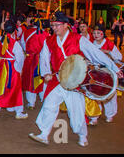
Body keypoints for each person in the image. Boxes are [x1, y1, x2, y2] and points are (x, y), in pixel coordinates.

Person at [28, 11, 122, 147]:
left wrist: (114, 67)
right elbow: (44, 57)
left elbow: (96, 54)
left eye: (57, 25)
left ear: (66, 25)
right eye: (52, 25)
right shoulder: (49, 41)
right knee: (49, 105)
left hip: (75, 81)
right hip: (58, 80)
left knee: (76, 111)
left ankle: (83, 135)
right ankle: (44, 134)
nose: (54, 28)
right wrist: (46, 72)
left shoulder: (78, 39)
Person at [0, 19, 28, 119]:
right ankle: (18, 112)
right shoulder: (15, 43)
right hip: (12, 67)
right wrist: (18, 69)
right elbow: (20, 58)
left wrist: (1, 61)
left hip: (1, 66)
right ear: (14, 31)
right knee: (16, 89)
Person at [87, 24, 123, 125]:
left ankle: (110, 114)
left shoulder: (109, 44)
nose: (96, 35)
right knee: (93, 93)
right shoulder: (90, 44)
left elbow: (119, 57)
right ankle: (94, 116)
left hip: (109, 72)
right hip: (95, 72)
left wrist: (108, 52)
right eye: (94, 33)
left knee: (110, 93)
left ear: (103, 34)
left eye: (98, 33)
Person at [20, 18, 49, 109]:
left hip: (29, 59)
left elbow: (23, 44)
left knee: (30, 81)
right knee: (43, 80)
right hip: (41, 60)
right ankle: (44, 100)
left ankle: (31, 103)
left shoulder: (26, 32)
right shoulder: (46, 34)